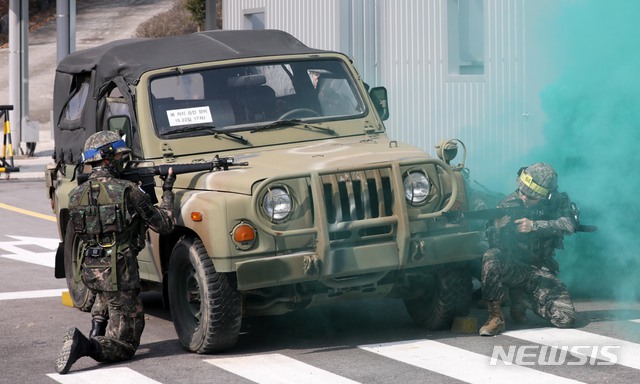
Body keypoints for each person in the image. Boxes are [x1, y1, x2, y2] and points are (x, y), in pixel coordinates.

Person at [55, 131, 176, 374]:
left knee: (105, 298)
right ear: (109, 159)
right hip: (120, 270)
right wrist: (168, 193)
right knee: (125, 345)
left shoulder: (75, 195)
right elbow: (164, 224)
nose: (125, 161)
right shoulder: (127, 190)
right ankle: (86, 345)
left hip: (92, 269)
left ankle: (96, 332)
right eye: (121, 156)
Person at [479, 162, 577, 336]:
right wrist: (497, 228)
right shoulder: (508, 203)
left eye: (531, 196)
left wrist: (534, 225)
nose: (524, 197)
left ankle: (522, 298)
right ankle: (495, 316)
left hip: (541, 269)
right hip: (515, 267)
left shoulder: (558, 201)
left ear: (546, 196)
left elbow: (569, 225)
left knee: (565, 317)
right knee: (491, 256)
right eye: (522, 191)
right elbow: (492, 243)